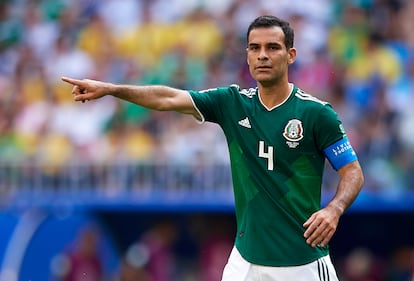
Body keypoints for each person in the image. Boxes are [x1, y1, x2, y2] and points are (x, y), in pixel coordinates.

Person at [62, 15, 364, 281]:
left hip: (302, 262)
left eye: (273, 47)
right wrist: (112, 89)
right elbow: (168, 99)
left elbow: (353, 172)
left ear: (291, 54)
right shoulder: (232, 103)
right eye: (254, 48)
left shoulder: (316, 114)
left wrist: (334, 210)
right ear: (246, 55)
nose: (263, 55)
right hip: (245, 262)